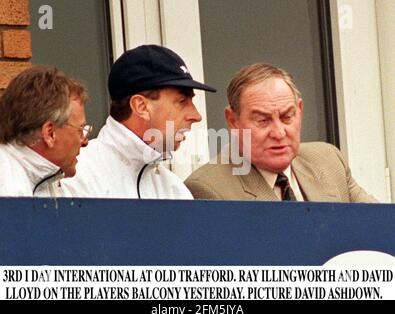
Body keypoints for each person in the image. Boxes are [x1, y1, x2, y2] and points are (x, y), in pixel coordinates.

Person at [185, 63, 377, 202]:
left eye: (287, 117)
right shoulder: (207, 189)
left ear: (299, 111)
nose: (278, 132)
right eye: (262, 120)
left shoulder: (329, 160)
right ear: (233, 121)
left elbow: (380, 227)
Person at [55, 44, 216, 199]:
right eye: (182, 101)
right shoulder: (74, 175)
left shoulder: (173, 189)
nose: (196, 116)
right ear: (141, 106)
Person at [0, 66, 90, 197]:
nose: (85, 141)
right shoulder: (6, 183)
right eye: (80, 130)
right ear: (50, 133)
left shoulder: (48, 177)